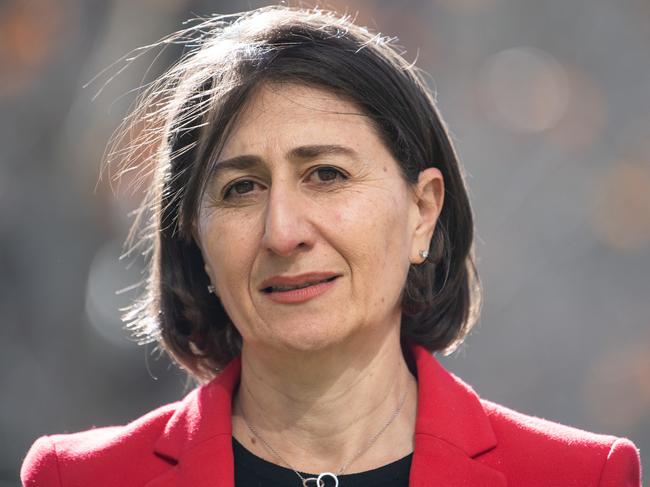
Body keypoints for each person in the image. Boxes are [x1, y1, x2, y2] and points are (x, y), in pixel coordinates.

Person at [21, 5, 641, 487]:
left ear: (423, 211)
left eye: (326, 175)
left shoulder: (580, 475)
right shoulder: (77, 478)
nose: (283, 232)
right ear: (195, 239)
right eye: (241, 188)